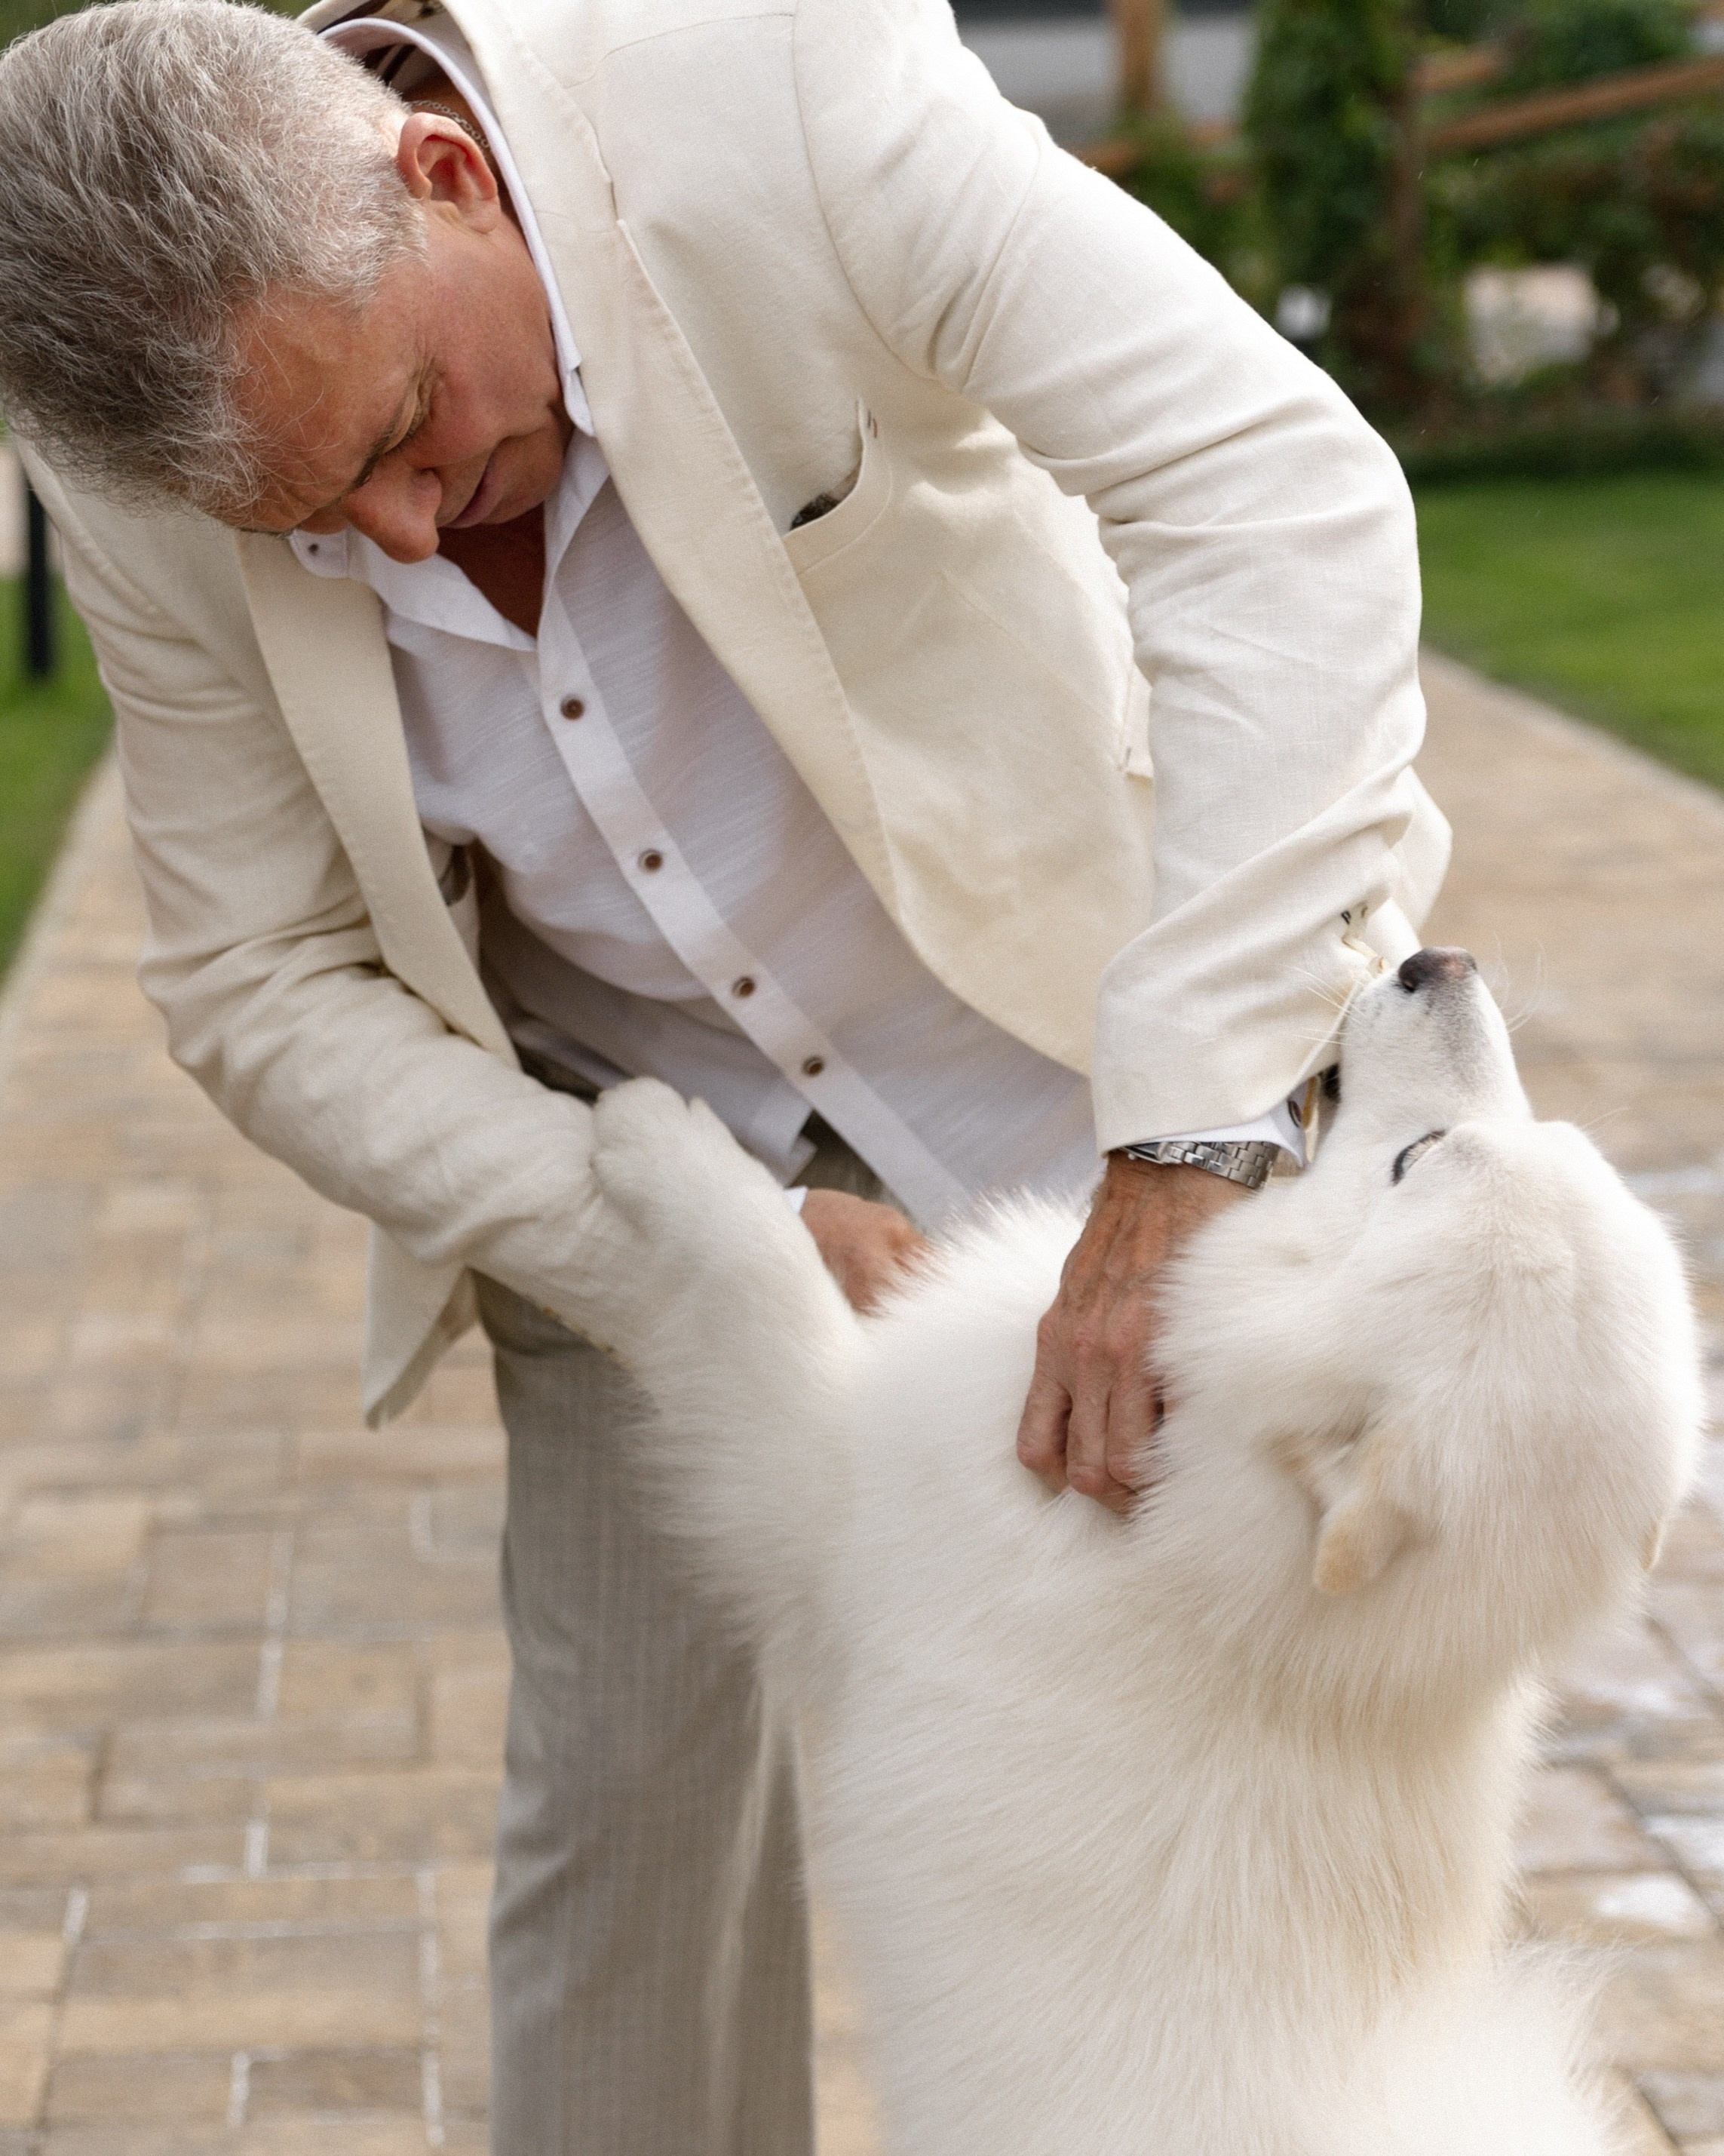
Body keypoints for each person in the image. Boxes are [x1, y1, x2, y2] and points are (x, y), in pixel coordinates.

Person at [0, 1, 1449, 2146]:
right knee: (626, 1841)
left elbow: (1274, 490)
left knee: (1286, 1796)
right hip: (629, 1156)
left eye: (408, 426)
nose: (400, 537)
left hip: (1104, 1048)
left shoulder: (778, 75)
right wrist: (704, 1243)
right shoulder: (149, 478)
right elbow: (256, 973)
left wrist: (1186, 1139)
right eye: (317, 523)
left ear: (448, 176)